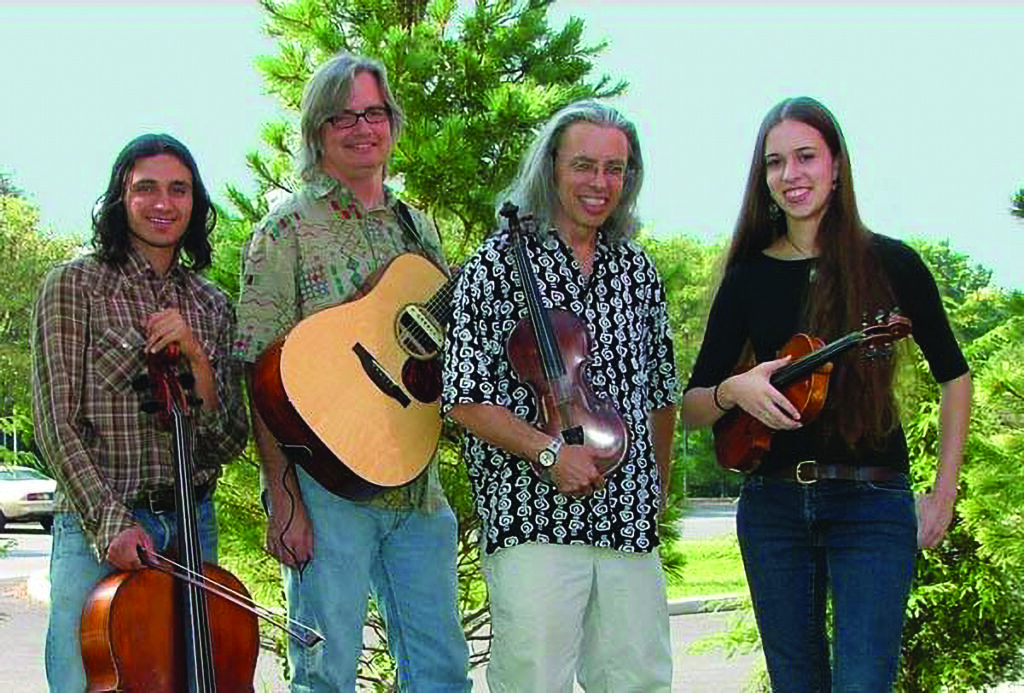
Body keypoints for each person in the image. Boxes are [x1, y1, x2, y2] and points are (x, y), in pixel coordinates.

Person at [681, 96, 971, 691]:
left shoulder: (892, 264)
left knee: (863, 682)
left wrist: (942, 495)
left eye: (806, 157)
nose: (791, 176)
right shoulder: (746, 278)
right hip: (773, 509)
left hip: (871, 505)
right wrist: (735, 389)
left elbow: (955, 378)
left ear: (837, 166)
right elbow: (692, 406)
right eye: (775, 162)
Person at [234, 53, 470, 692]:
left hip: (416, 488)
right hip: (323, 487)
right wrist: (282, 496)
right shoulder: (284, 230)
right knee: (324, 674)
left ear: (391, 123)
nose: (361, 127)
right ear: (317, 130)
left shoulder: (417, 228)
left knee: (443, 671)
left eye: (373, 112)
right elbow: (258, 369)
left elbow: (433, 345)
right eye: (343, 116)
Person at [442, 100, 679, 692]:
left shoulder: (636, 271)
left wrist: (657, 490)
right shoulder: (496, 264)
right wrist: (549, 453)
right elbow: (464, 397)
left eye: (615, 169)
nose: (600, 184)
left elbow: (660, 391)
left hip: (627, 521)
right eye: (584, 166)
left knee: (637, 681)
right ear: (551, 168)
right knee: (534, 682)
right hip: (533, 517)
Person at [31, 133, 249, 692]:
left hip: (189, 525)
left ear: (195, 204)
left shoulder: (212, 305)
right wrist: (110, 522)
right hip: (98, 520)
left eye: (179, 190)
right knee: (84, 682)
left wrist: (197, 356)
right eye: (146, 188)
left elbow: (226, 443)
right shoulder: (74, 285)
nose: (163, 203)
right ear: (120, 198)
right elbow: (56, 423)